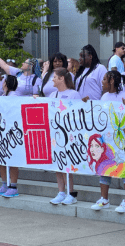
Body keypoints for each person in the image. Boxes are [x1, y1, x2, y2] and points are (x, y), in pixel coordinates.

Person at [91, 70, 125, 213]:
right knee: (104, 167)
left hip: (122, 140)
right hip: (106, 140)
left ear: (111, 81)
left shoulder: (124, 96)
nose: (102, 82)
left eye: (104, 79)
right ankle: (104, 199)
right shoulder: (104, 96)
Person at [48, 68, 81, 205]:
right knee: (57, 163)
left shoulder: (74, 94)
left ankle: (71, 193)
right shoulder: (52, 95)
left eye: (55, 77)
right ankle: (61, 191)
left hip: (69, 134)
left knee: (67, 164)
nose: (53, 79)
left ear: (62, 78)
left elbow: (79, 114)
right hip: (55, 134)